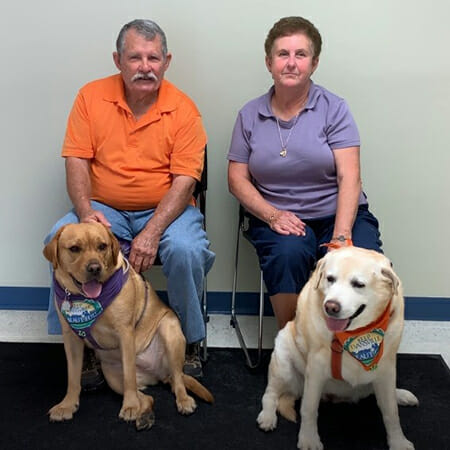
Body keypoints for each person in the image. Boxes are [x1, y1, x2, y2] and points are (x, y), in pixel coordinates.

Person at [45, 19, 215, 383]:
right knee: (59, 237)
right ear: (118, 60)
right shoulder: (91, 97)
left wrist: (152, 232)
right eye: (134, 57)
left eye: (153, 58)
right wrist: (87, 213)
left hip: (168, 209)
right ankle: (85, 341)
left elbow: (186, 181)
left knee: (185, 249)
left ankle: (189, 342)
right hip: (104, 208)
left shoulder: (184, 109)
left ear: (166, 61)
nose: (144, 67)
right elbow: (76, 161)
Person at [227, 16, 382, 330]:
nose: (291, 63)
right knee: (288, 253)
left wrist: (341, 237)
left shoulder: (334, 109)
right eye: (283, 54)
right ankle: (293, 340)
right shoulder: (249, 115)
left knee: (363, 261)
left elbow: (349, 176)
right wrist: (271, 216)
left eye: (301, 55)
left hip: (336, 214)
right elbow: (236, 178)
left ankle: (353, 341)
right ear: (269, 62)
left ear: (314, 63)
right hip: (277, 217)